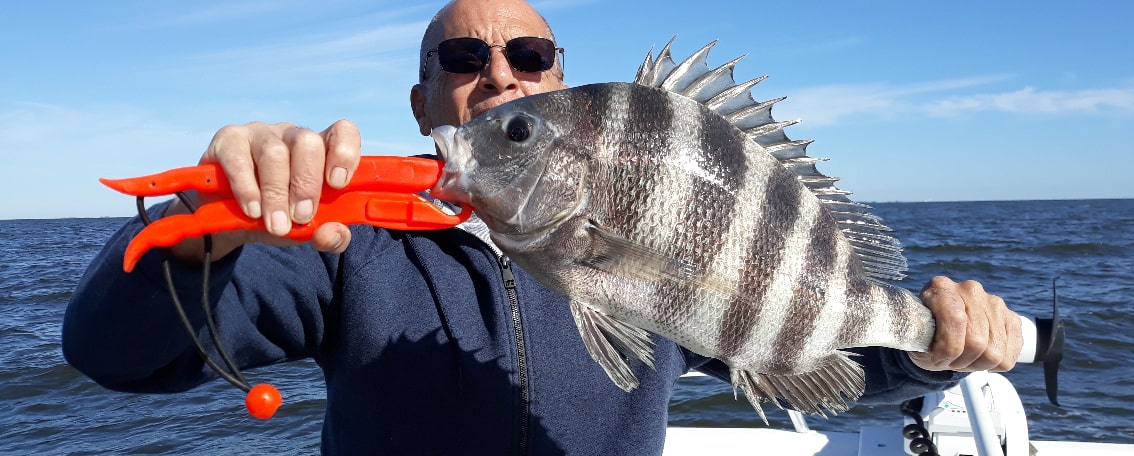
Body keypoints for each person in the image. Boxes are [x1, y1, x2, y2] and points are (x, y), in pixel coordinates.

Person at [62, 0, 1024, 454]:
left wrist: (937, 348)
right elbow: (114, 354)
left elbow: (802, 349)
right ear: (425, 102)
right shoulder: (344, 246)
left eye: (529, 55)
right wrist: (202, 225)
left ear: (562, 82)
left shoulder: (639, 216)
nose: (500, 74)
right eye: (464, 56)